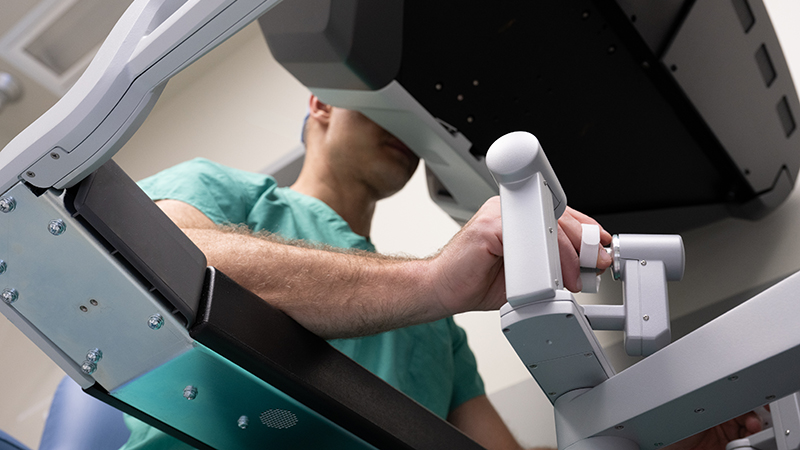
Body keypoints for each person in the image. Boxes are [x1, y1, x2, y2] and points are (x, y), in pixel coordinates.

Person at [118, 96, 760, 450]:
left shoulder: (440, 334)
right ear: (320, 102)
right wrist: (430, 281)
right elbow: (166, 266)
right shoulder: (221, 190)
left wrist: (654, 443)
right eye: (381, 108)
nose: (405, 131)